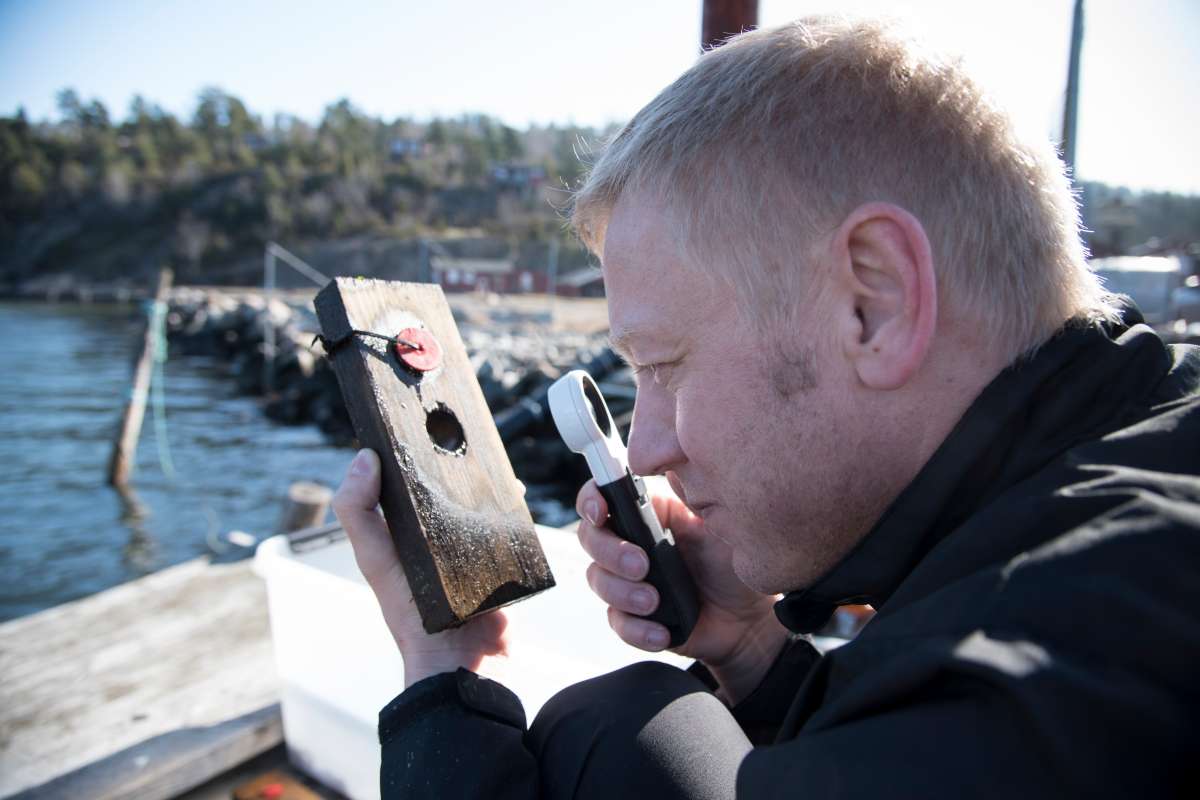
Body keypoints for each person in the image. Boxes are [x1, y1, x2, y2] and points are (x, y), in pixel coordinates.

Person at [333, 16, 1200, 798]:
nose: (645, 447)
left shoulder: (988, 713)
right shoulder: (1141, 479)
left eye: (664, 365)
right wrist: (750, 649)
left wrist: (446, 679)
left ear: (876, 303)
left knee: (611, 735)